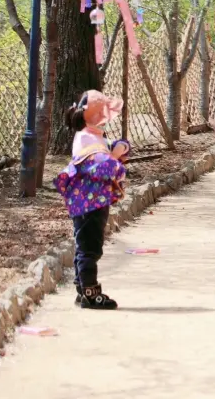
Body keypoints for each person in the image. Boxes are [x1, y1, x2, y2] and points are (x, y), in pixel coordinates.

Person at [54, 90, 130, 310]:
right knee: (90, 248)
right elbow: (105, 167)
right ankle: (90, 293)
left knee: (85, 245)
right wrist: (115, 157)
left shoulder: (91, 135)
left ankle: (82, 288)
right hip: (89, 202)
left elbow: (106, 151)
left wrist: (119, 147)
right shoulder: (87, 138)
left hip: (90, 200)